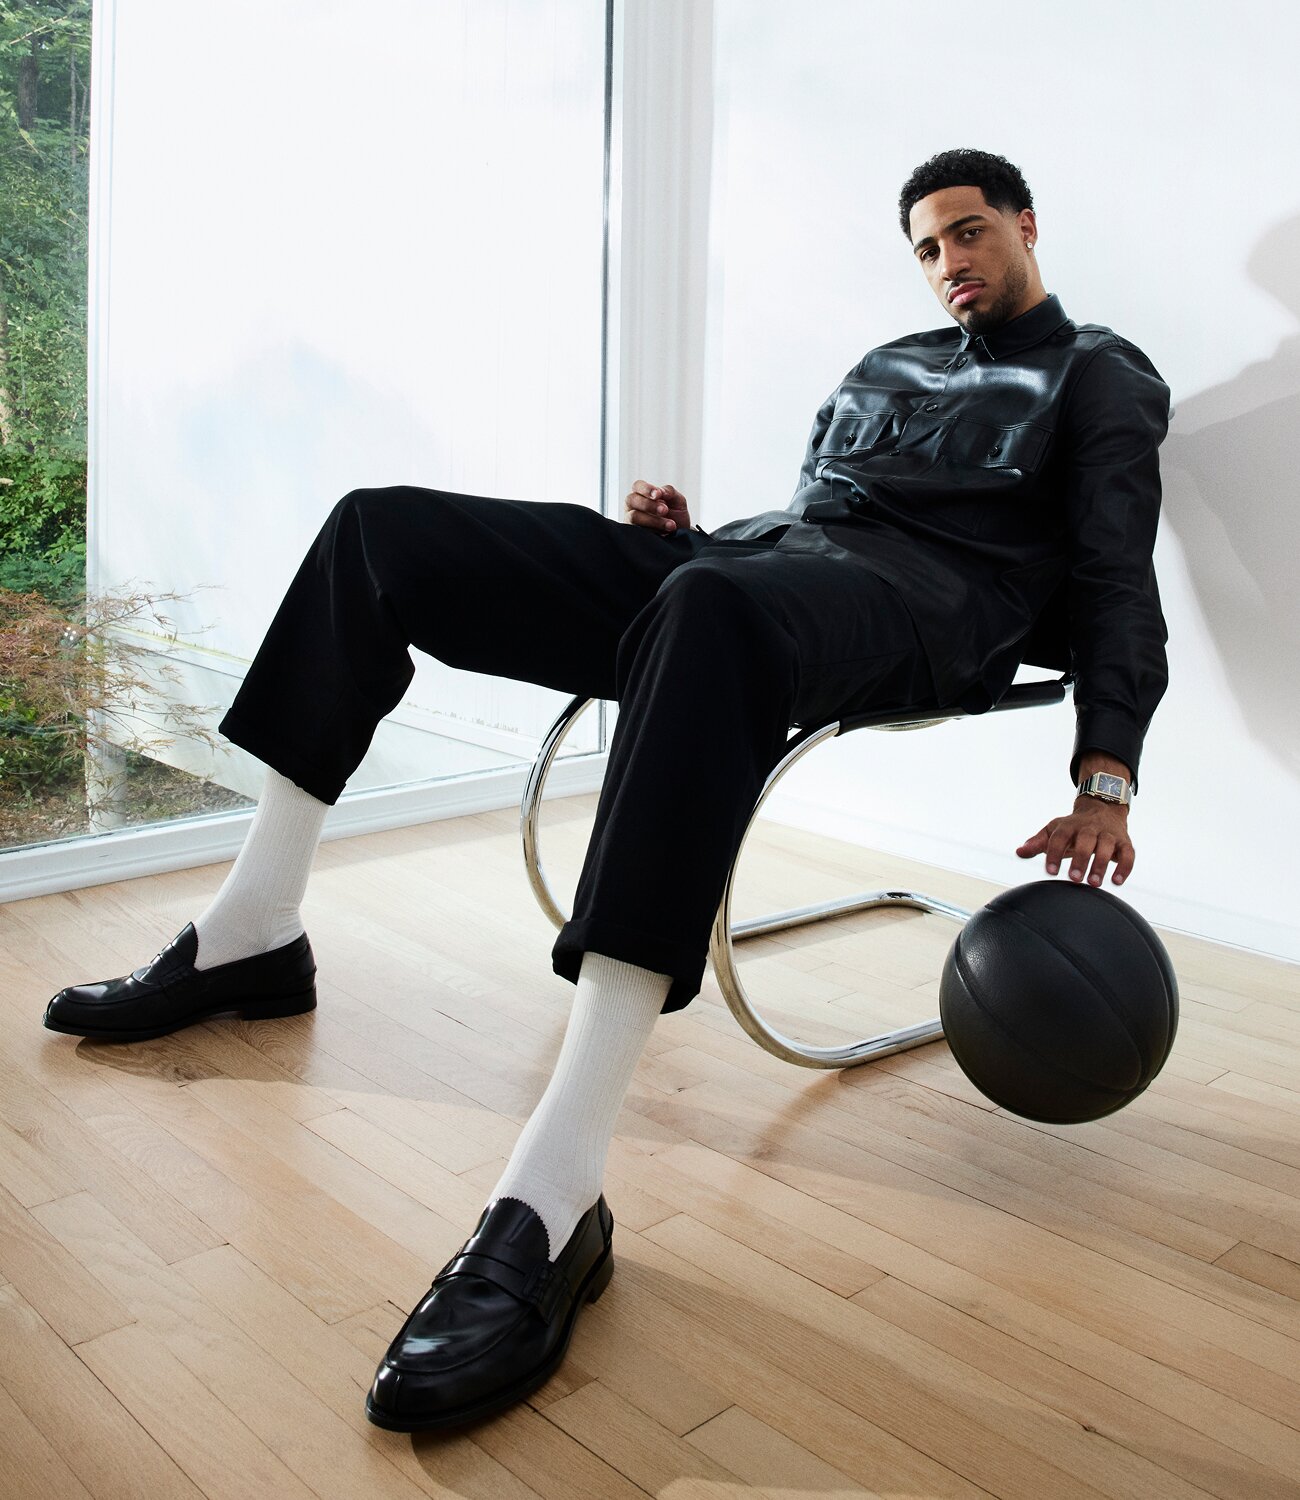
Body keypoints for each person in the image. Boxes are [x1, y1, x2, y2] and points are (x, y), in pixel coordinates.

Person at [41, 148, 1170, 1431]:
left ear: (1025, 226)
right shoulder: (883, 367)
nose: (949, 261)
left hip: (921, 616)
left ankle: (554, 1190)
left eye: (969, 233)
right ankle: (255, 926)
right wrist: (690, 539)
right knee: (382, 531)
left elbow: (1115, 580)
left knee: (710, 610)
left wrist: (1106, 773)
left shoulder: (1099, 373)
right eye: (926, 247)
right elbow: (815, 519)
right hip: (759, 577)